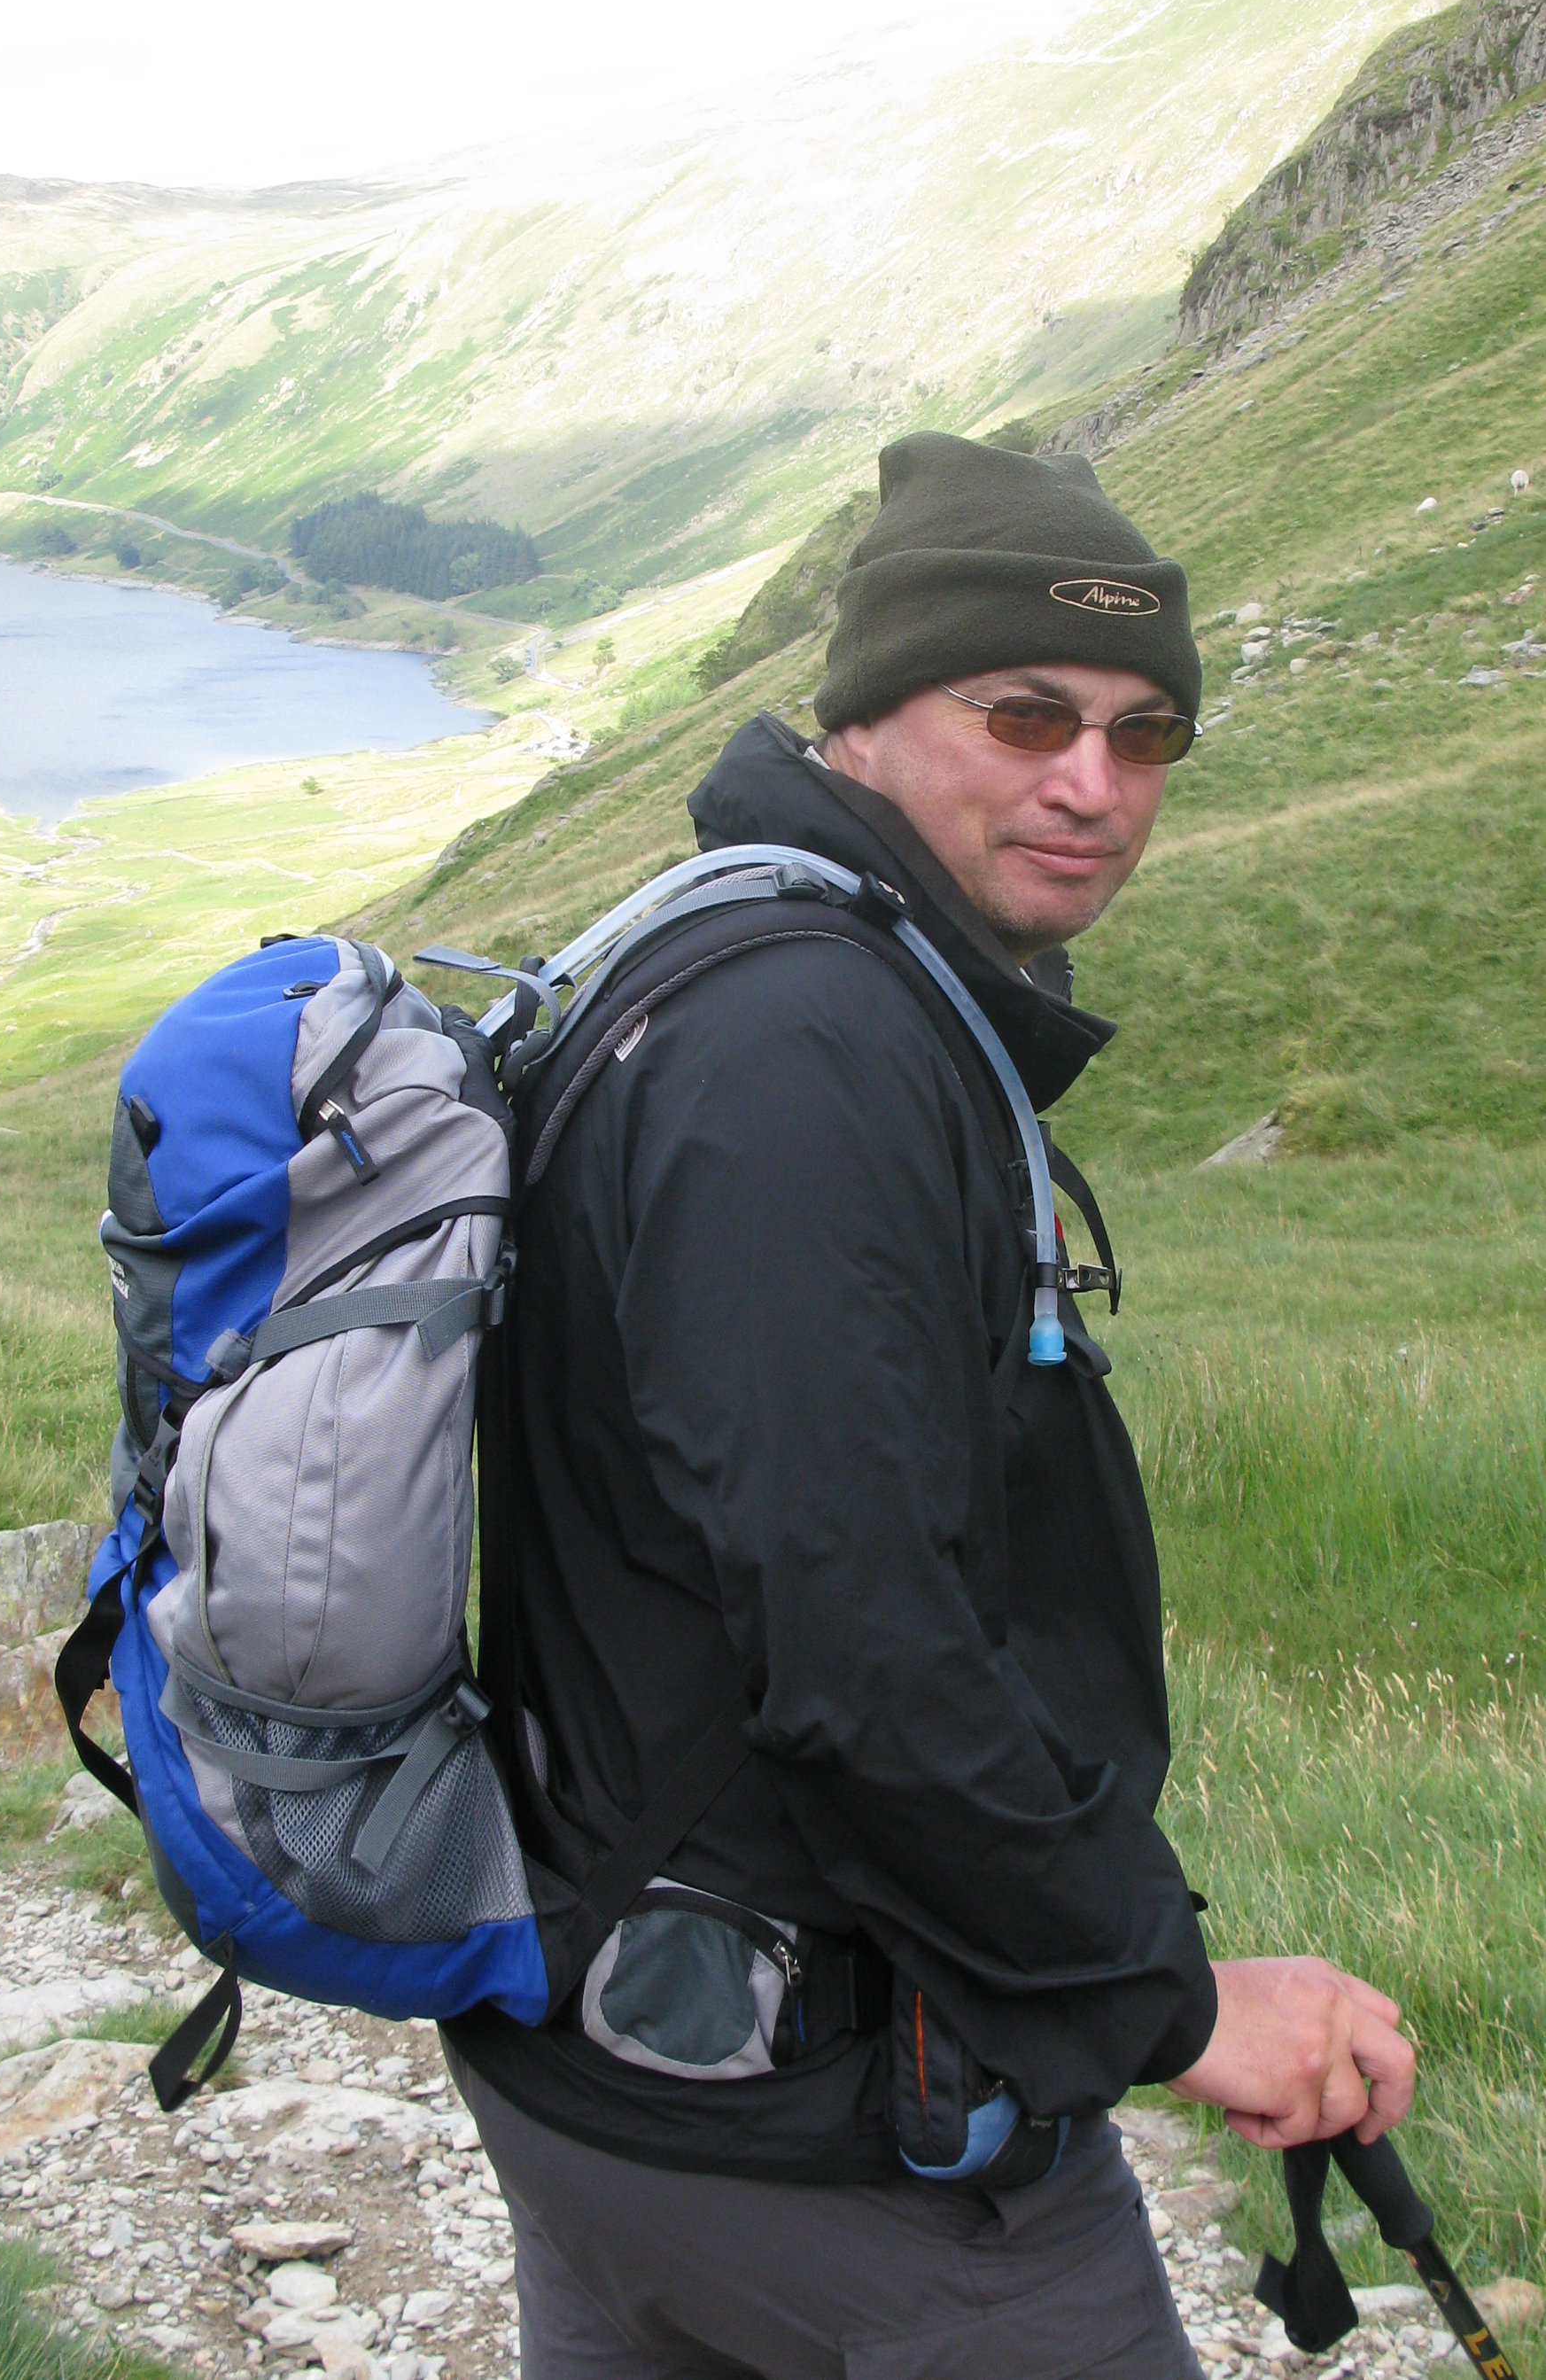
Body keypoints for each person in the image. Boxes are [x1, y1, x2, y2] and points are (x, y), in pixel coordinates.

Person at [441, 433, 1414, 2380]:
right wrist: (1161, 1998)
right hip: (825, 2141)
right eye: (1024, 712)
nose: (1091, 783)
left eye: (1146, 736)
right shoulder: (801, 1048)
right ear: (866, 717)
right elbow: (851, 1631)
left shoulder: (744, 961)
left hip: (630, 2059)